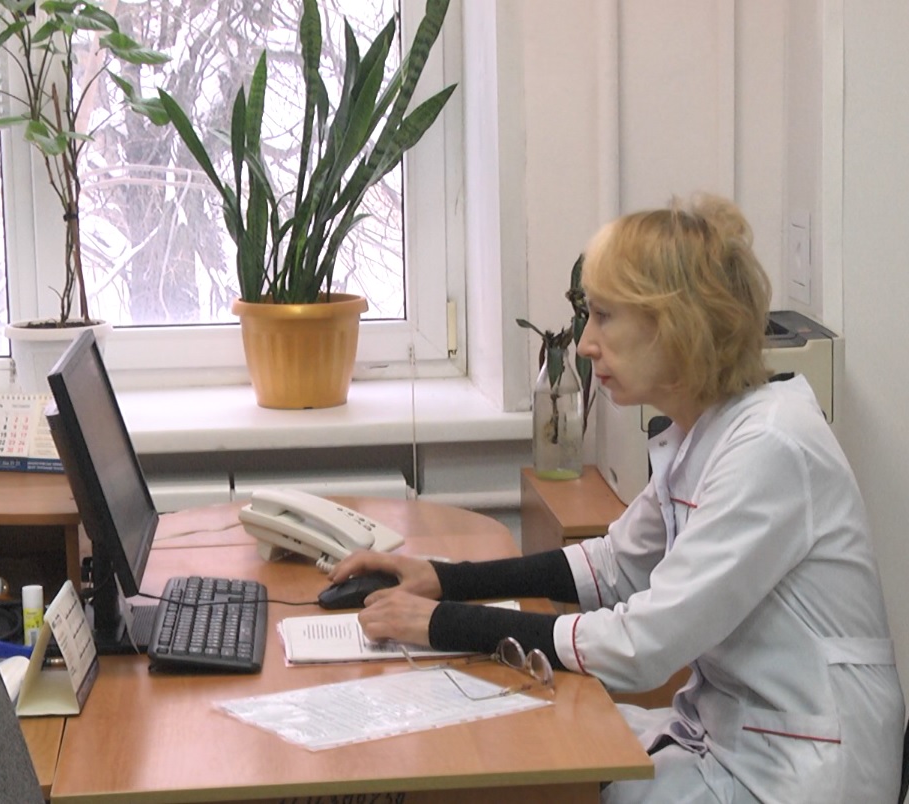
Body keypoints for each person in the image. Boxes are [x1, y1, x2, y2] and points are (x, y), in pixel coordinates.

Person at [329, 193, 905, 802]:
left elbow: (642, 645)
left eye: (605, 317)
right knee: (514, 738)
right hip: (736, 733)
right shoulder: (705, 432)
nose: (585, 344)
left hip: (804, 768)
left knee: (524, 767)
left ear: (679, 323)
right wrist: (443, 580)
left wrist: (443, 623)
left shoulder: (769, 448)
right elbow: (611, 566)